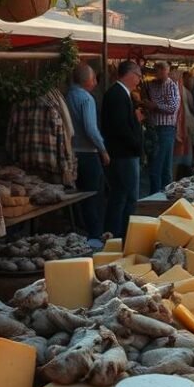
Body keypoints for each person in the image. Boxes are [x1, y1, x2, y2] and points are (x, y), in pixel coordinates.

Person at [64, 63, 108, 247]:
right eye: (94, 78)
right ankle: (95, 237)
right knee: (93, 196)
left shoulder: (67, 96)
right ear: (88, 80)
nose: (96, 82)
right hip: (88, 154)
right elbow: (90, 128)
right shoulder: (86, 98)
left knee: (80, 197)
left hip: (71, 153)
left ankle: (82, 234)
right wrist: (103, 149)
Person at [101, 60, 144, 237]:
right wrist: (136, 143)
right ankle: (121, 235)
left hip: (124, 153)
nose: (139, 80)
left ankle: (119, 234)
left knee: (122, 195)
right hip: (123, 154)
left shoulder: (120, 94)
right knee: (125, 196)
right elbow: (119, 127)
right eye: (139, 76)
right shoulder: (117, 94)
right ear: (130, 74)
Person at [145, 61, 180, 195]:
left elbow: (173, 108)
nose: (158, 73)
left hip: (166, 129)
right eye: (156, 70)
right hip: (154, 127)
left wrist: (155, 106)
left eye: (161, 70)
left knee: (161, 166)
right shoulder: (151, 85)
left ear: (167, 71)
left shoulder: (172, 85)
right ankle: (157, 195)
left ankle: (162, 195)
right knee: (157, 165)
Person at [173, 68, 194, 180]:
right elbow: (193, 109)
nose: (192, 82)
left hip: (183, 128)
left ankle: (178, 176)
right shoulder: (183, 91)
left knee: (180, 156)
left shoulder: (182, 90)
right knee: (181, 156)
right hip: (183, 129)